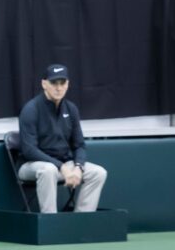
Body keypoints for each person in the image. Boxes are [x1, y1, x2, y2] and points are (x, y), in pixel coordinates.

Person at [18, 64, 108, 214]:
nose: (58, 88)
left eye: (62, 83)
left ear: (68, 84)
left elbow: (79, 145)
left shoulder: (71, 109)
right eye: (54, 83)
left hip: (64, 165)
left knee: (98, 173)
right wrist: (61, 167)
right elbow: (29, 150)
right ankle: (50, 223)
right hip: (31, 166)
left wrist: (78, 167)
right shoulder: (31, 109)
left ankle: (81, 220)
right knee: (48, 170)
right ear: (44, 84)